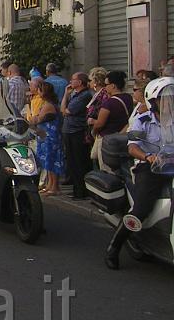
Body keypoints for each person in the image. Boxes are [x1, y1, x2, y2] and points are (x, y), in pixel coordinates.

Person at [104, 77, 174, 269]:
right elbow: (132, 147)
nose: (169, 103)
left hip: (172, 165)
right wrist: (148, 156)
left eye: (171, 98)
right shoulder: (143, 120)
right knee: (141, 209)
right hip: (151, 168)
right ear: (153, 101)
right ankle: (113, 248)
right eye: (165, 99)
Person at [90, 70, 133, 173]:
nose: (105, 87)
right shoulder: (128, 98)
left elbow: (100, 123)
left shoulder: (109, 103)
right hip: (121, 137)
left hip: (107, 139)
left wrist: (93, 128)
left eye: (106, 84)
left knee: (106, 170)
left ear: (113, 85)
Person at [61, 72, 94, 199]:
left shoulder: (84, 96)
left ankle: (81, 191)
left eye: (73, 79)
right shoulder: (75, 95)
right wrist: (66, 94)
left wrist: (65, 97)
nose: (70, 81)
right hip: (70, 131)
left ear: (80, 82)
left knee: (79, 162)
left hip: (76, 132)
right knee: (72, 162)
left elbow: (65, 111)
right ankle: (76, 189)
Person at [30, 82, 64, 196]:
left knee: (52, 161)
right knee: (47, 162)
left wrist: (32, 118)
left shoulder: (48, 105)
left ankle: (54, 187)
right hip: (45, 136)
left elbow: (38, 119)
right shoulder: (47, 103)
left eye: (39, 90)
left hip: (50, 137)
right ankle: (49, 185)